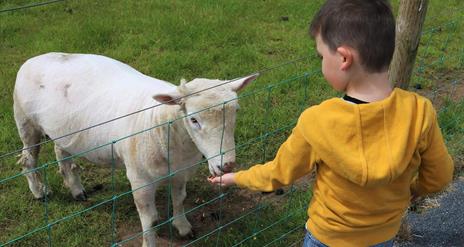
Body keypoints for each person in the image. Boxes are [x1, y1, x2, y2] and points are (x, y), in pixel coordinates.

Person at [208, 0, 454, 246]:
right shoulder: (419, 111)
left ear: (344, 58)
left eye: (321, 56)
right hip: (382, 236)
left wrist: (236, 178)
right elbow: (440, 176)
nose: (321, 63)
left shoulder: (318, 121)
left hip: (326, 238)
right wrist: (413, 189)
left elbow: (278, 174)